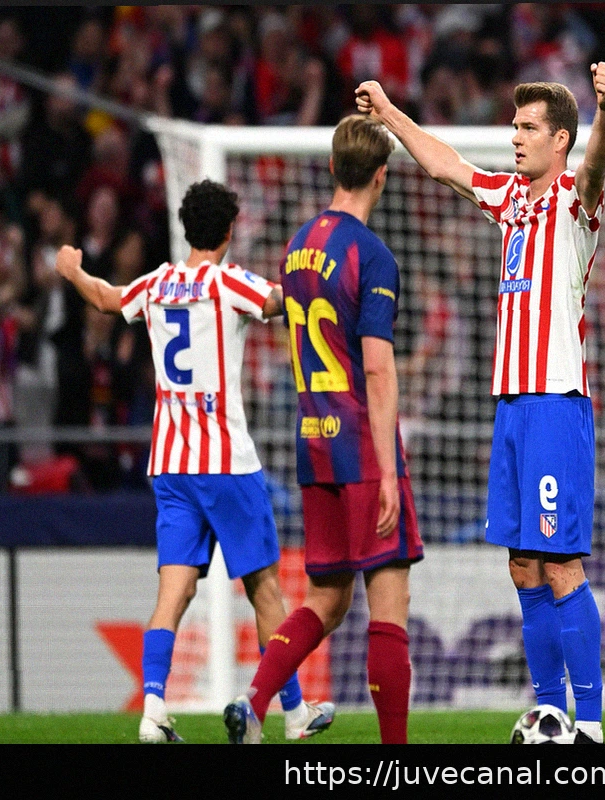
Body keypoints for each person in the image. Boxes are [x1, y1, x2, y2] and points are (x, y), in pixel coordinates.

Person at [354, 61, 605, 743]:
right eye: (514, 125)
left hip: (556, 401)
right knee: (522, 564)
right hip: (510, 407)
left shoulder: (574, 200)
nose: (516, 137)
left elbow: (597, 162)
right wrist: (390, 112)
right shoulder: (510, 198)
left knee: (561, 563)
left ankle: (590, 724)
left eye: (528, 127)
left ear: (560, 139)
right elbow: (444, 164)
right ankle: (550, 711)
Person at [54, 179, 333, 744]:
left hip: (171, 465)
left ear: (186, 230)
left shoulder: (156, 284)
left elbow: (106, 298)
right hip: (227, 464)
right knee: (265, 590)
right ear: (229, 231)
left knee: (173, 594)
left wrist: (72, 271)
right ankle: (293, 712)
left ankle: (153, 711)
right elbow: (281, 301)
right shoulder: (230, 283)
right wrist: (322, 273)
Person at [223, 113, 424, 745]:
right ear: (382, 177)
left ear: (334, 167)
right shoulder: (373, 256)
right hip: (361, 444)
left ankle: (255, 702)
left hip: (314, 440)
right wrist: (388, 471)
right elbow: (377, 366)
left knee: (326, 600)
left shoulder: (298, 245)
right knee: (389, 606)